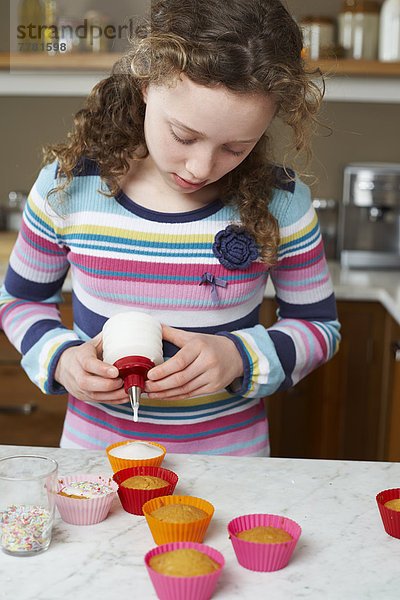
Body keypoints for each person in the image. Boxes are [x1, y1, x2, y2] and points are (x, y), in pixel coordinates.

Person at [0, 0, 340, 455]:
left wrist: (238, 357)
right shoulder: (69, 189)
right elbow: (20, 300)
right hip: (94, 465)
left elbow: (318, 326)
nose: (201, 168)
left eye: (236, 148)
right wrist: (61, 360)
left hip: (231, 468)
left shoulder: (282, 201)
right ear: (145, 84)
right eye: (183, 136)